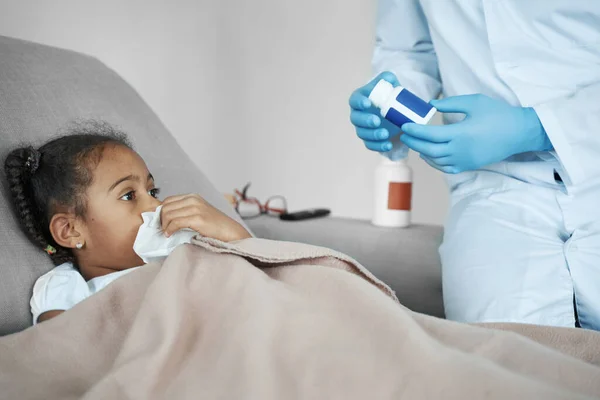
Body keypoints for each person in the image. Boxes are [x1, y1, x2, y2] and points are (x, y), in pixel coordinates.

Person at [349, 1, 600, 330]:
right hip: (495, 192)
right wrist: (392, 100)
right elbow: (408, 48)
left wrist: (539, 126)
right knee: (506, 362)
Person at [4, 121, 251, 324]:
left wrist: (230, 232)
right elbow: (61, 353)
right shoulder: (66, 286)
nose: (156, 206)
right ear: (71, 230)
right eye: (128, 196)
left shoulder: (185, 252)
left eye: (153, 192)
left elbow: (251, 283)